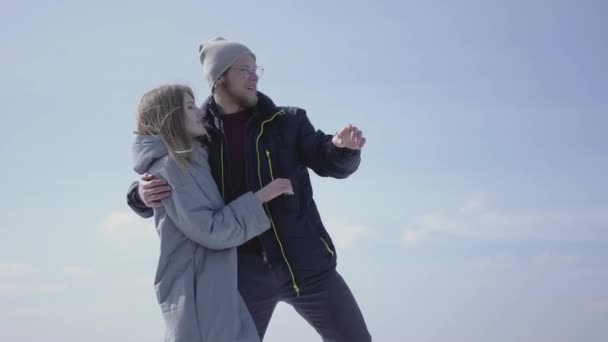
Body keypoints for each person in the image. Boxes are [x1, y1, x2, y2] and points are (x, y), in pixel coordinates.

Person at [128, 37, 371, 341]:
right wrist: (139, 195)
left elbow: (324, 157)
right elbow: (169, 171)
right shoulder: (199, 134)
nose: (254, 75)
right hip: (241, 272)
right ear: (219, 79)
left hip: (306, 264)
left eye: (256, 69)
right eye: (244, 69)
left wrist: (341, 149)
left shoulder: (289, 121)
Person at [132, 84, 294, 342]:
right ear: (170, 116)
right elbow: (211, 230)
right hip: (196, 290)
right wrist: (262, 196)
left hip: (211, 285)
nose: (200, 113)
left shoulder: (192, 160)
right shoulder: (172, 167)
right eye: (189, 107)